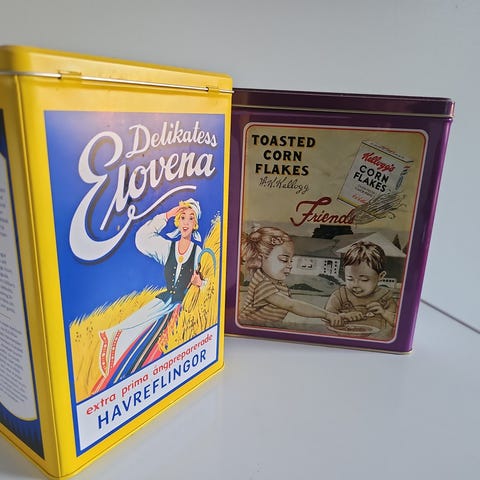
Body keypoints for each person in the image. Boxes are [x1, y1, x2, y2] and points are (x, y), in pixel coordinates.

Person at [93, 199, 204, 391]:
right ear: (177, 221)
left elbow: (210, 282)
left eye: (191, 218)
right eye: (182, 217)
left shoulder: (198, 252)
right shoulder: (167, 248)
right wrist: (166, 216)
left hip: (181, 307)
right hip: (163, 302)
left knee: (154, 343)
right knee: (131, 327)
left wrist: (199, 283)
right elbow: (142, 239)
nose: (186, 222)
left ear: (195, 224)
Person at [239, 226, 340, 328]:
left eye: (291, 261)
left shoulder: (273, 280)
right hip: (251, 327)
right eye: (284, 259)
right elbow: (291, 305)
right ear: (260, 259)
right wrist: (326, 314)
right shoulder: (263, 285)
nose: (290, 265)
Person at [325, 241, 396, 332]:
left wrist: (384, 312)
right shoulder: (339, 295)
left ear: (380, 276)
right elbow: (326, 316)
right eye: (350, 279)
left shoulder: (385, 297)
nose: (355, 285)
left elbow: (398, 323)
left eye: (364, 280)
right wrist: (343, 316)